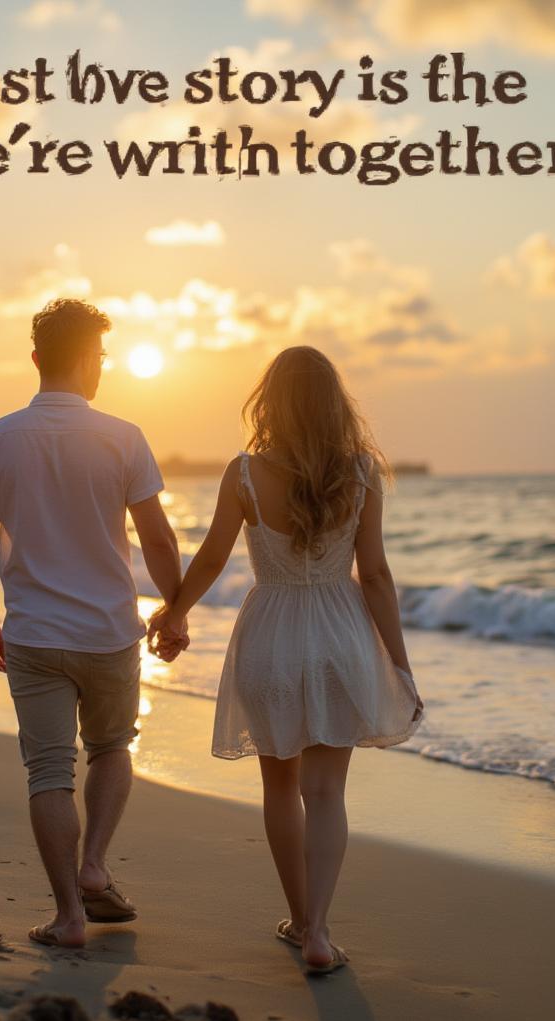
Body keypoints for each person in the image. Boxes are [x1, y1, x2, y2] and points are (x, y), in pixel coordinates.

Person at [149, 345, 424, 974]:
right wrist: (400, 665)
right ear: (336, 402)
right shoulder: (361, 472)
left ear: (270, 399)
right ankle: (321, 932)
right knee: (326, 791)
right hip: (339, 636)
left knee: (280, 787)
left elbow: (214, 558)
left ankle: (300, 922)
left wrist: (174, 613)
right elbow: (376, 575)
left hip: (271, 634)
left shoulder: (244, 472)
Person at [0, 298, 184, 949]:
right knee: (114, 747)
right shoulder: (123, 436)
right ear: (91, 360)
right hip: (110, 632)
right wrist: (175, 608)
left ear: (36, 359)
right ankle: (94, 866)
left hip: (32, 634)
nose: (103, 367)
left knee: (49, 773)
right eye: (102, 357)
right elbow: (161, 541)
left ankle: (68, 917)